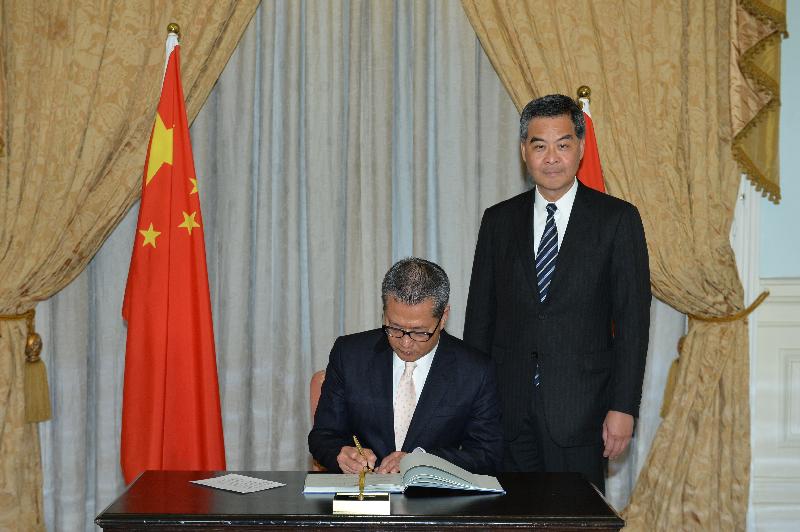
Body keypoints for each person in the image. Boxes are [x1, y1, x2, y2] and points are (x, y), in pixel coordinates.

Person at [463, 94, 651, 492]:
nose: (552, 157)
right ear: (524, 152)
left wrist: (623, 407)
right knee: (508, 518)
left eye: (563, 144)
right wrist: (472, 405)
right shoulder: (498, 221)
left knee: (573, 519)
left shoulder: (617, 220)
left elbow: (633, 323)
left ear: (581, 148)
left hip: (581, 410)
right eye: (539, 145)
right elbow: (479, 319)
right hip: (505, 408)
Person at [309, 257, 503, 474]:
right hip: (364, 495)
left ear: (443, 317)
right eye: (395, 328)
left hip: (434, 501)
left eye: (420, 332)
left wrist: (422, 461)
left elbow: (487, 453)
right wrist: (341, 453)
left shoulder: (475, 370)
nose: (405, 342)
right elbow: (322, 436)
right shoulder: (350, 355)